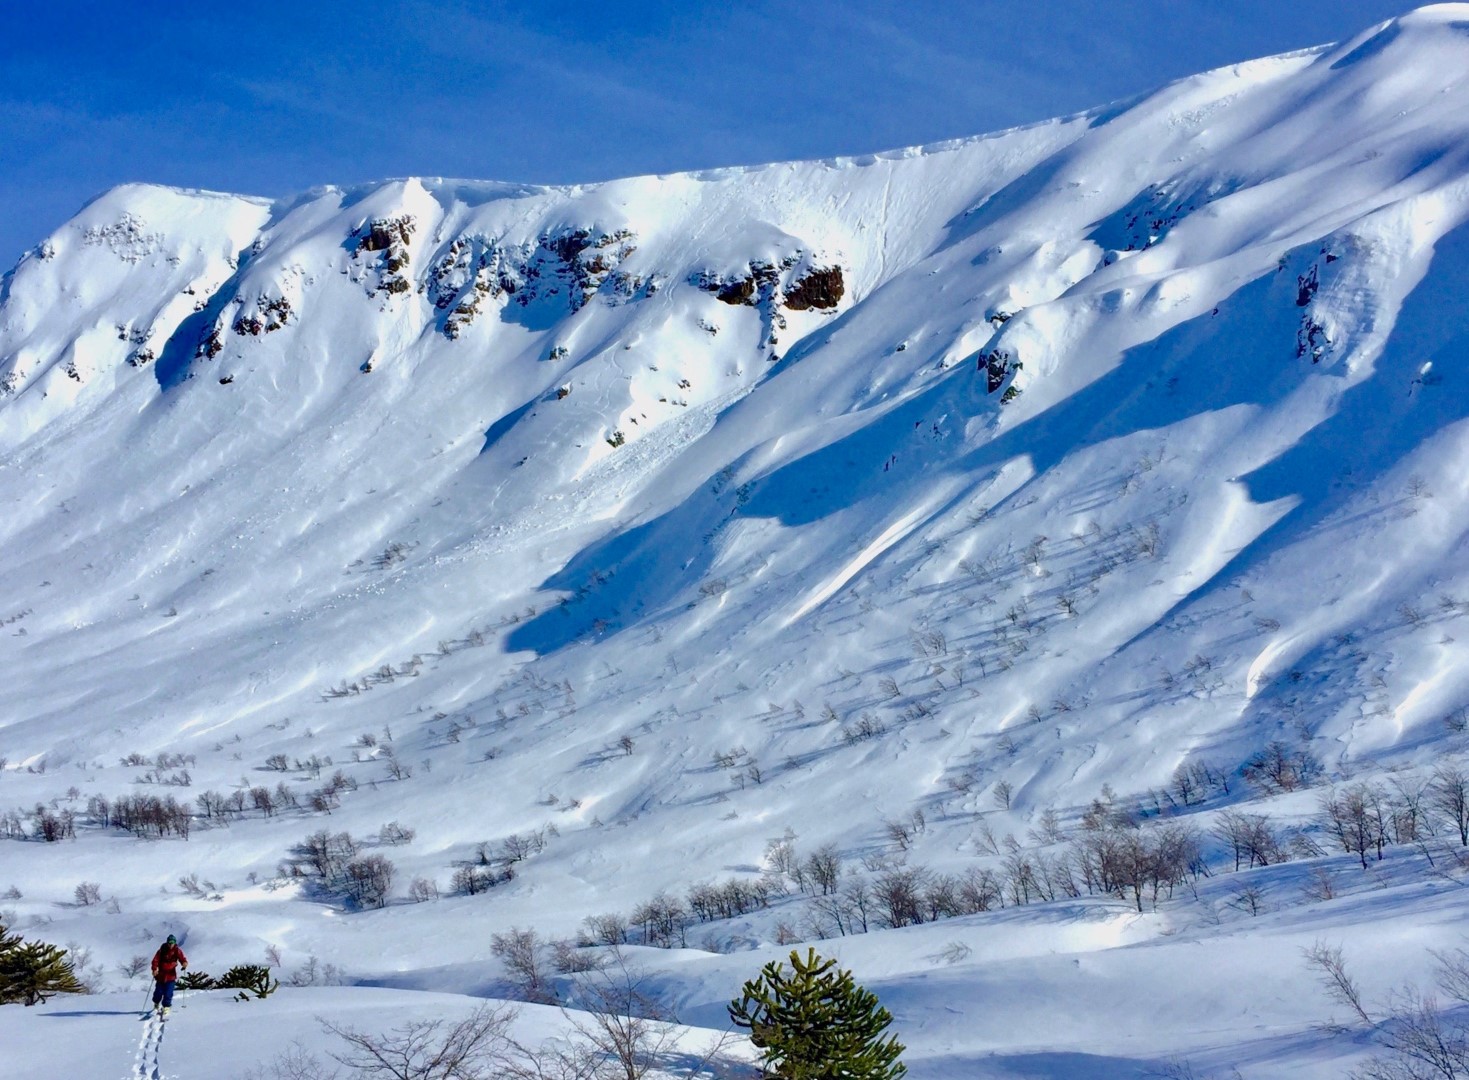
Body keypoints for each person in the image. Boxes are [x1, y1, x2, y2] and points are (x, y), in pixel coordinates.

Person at [150, 934, 188, 1016]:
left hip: (171, 975)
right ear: (167, 942)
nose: (171, 944)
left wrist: (184, 963)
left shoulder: (177, 950)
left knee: (168, 992)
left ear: (175, 943)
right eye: (169, 942)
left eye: (172, 942)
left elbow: (182, 958)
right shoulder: (161, 950)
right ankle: (156, 1004)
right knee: (158, 992)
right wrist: (154, 969)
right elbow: (155, 960)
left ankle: (166, 1007)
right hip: (160, 975)